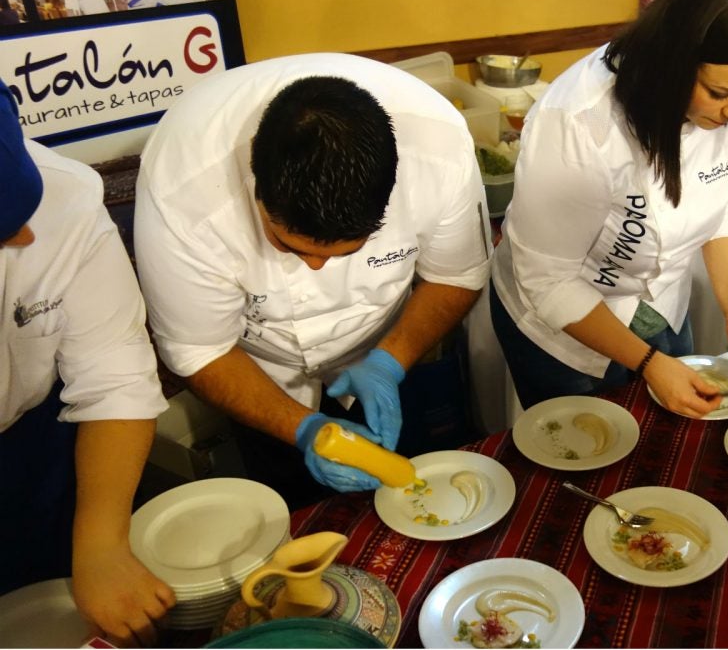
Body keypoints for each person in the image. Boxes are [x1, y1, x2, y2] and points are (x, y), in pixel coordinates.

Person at [134, 53, 491, 506]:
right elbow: (200, 348)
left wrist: (390, 362)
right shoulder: (182, 190)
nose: (317, 269)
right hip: (261, 372)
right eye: (290, 247)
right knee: (295, 504)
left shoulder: (437, 151)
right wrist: (301, 428)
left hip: (388, 337)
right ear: (257, 189)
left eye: (349, 252)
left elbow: (457, 275)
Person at [491, 0, 728, 417]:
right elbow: (548, 280)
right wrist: (649, 363)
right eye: (720, 94)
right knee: (590, 448)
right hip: (564, 321)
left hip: (661, 304)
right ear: (670, 61)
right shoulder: (581, 121)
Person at [0, 79, 174, 645]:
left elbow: (113, 374)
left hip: (36, 448)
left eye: (22, 210)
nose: (27, 237)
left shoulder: (64, 195)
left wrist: (101, 547)